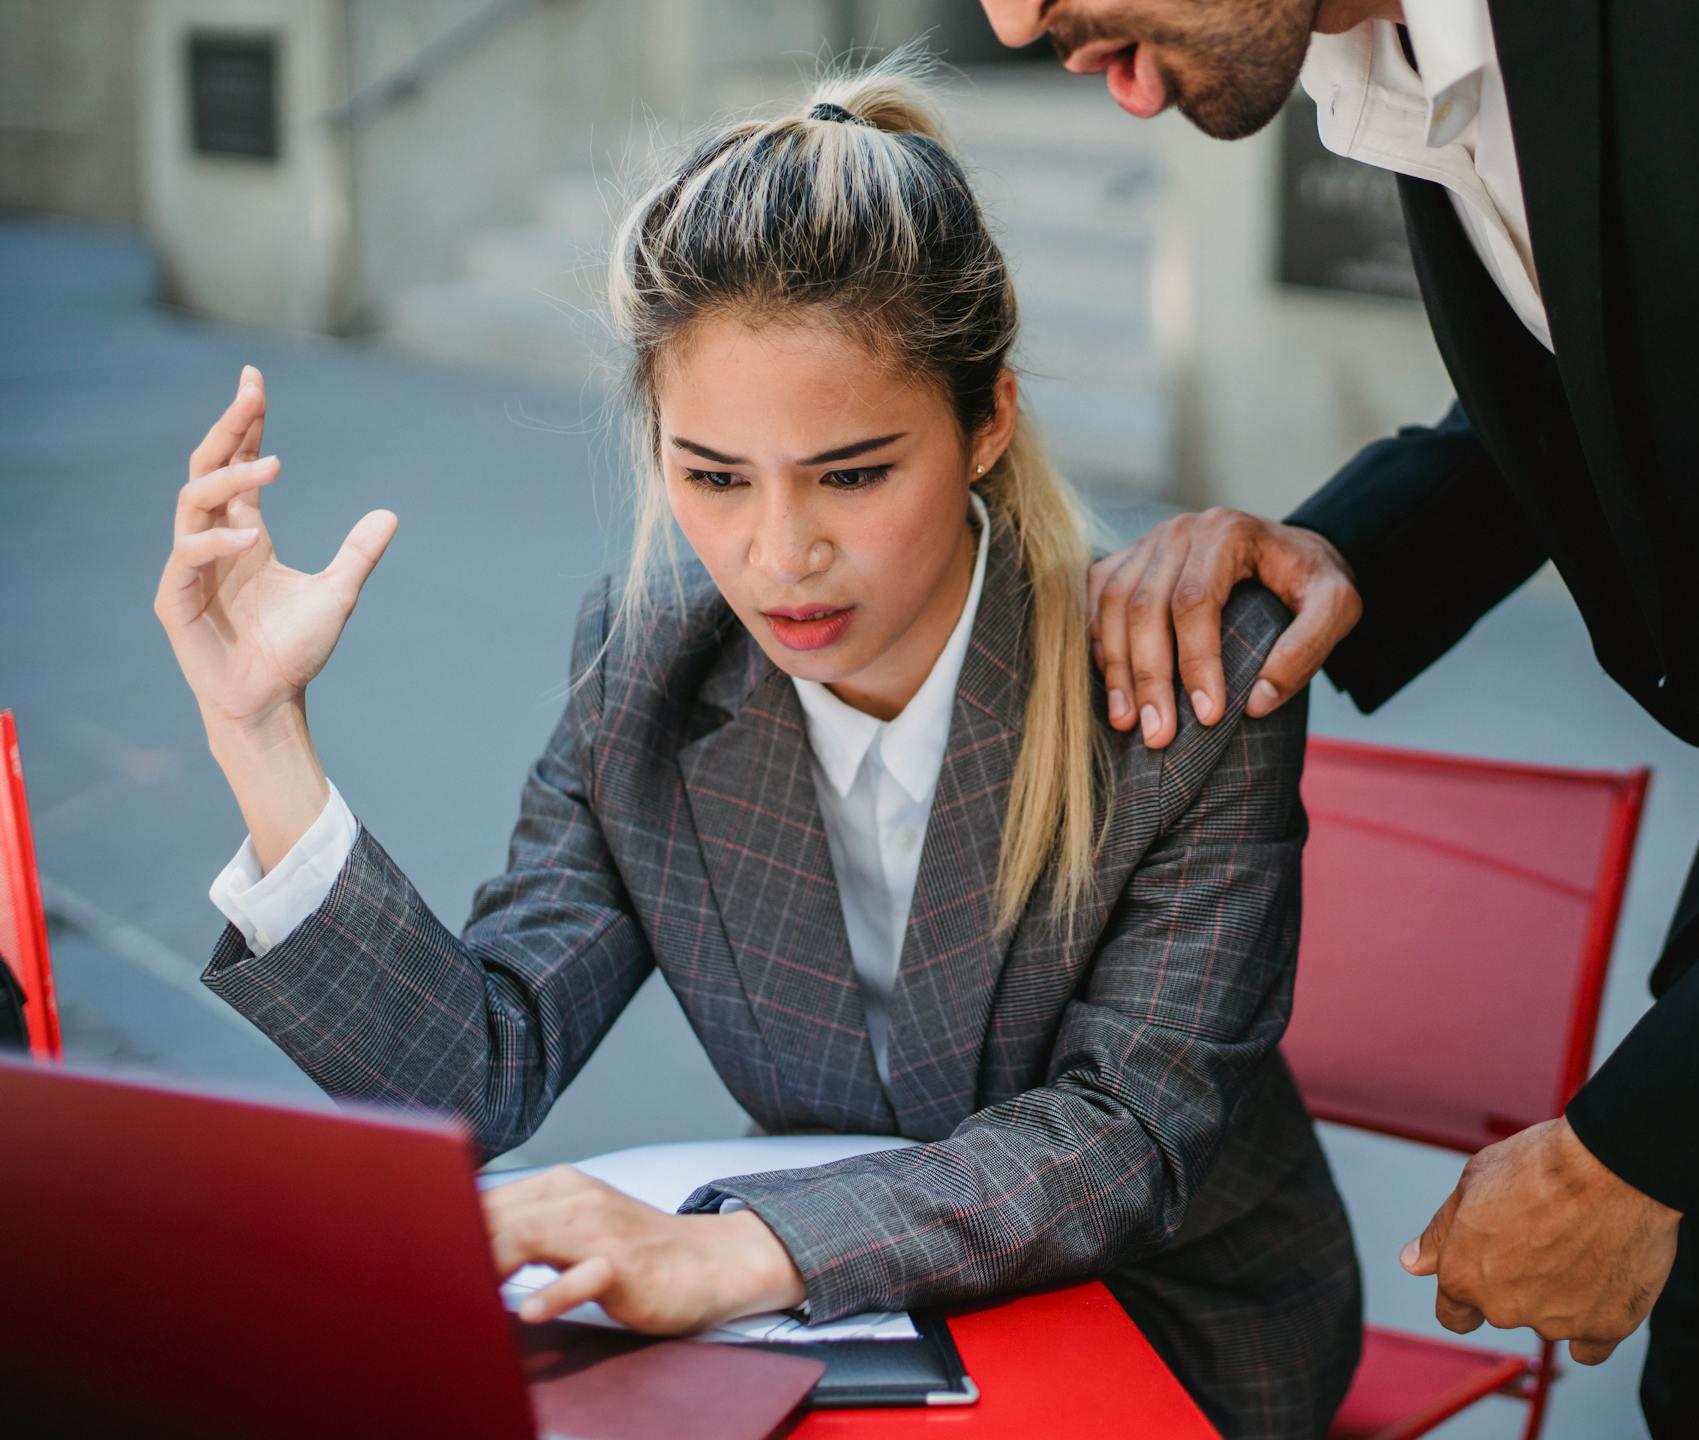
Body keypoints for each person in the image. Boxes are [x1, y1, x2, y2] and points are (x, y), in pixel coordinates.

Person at [981, 0, 1699, 1433]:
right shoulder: (1419, 51)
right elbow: (1653, 319)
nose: (1010, 11)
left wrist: (1641, 1151)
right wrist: (1359, 550)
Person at [153, 60, 1360, 1440]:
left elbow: (1127, 1136)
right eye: (713, 477)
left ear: (988, 423)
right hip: (832, 1317)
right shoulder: (649, 664)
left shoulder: (1176, 671)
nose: (779, 556)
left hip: (1162, 1315)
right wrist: (259, 730)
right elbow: (470, 1073)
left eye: (852, 474)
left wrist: (740, 1251)